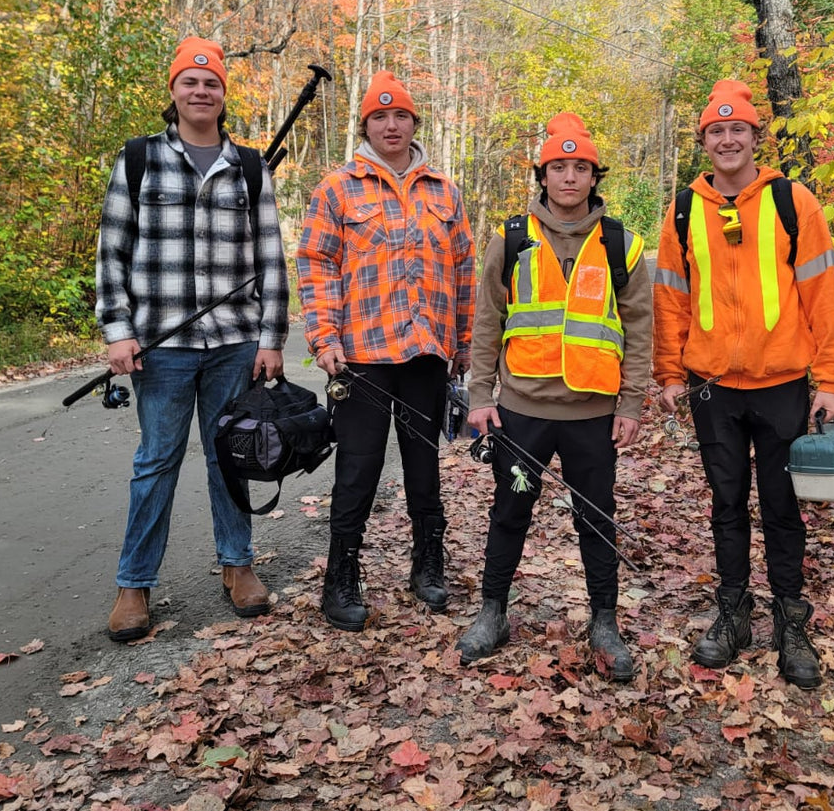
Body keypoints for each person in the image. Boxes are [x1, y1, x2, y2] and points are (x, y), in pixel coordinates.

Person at [653, 80, 834, 687]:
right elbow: (670, 298)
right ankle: (733, 613)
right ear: (704, 143)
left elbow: (823, 295)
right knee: (726, 504)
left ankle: (791, 622)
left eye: (736, 128)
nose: (727, 139)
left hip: (783, 383)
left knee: (783, 506)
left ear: (754, 137)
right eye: (715, 131)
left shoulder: (794, 203)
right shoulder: (684, 210)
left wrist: (832, 379)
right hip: (714, 386)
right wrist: (668, 372)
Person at [97, 37, 290, 642]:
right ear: (174, 92)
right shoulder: (138, 158)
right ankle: (134, 585)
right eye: (190, 82)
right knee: (156, 460)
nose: (200, 92)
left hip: (234, 341)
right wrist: (118, 330)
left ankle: (238, 567)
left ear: (223, 95)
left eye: (211, 84)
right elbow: (112, 250)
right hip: (162, 345)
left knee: (227, 455)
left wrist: (271, 336)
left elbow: (271, 258)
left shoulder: (250, 167)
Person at [457, 113, 653, 682]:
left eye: (581, 167)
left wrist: (631, 403)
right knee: (510, 511)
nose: (570, 176)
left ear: (595, 176)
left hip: (594, 416)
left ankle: (605, 622)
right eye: (559, 167)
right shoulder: (511, 237)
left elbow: (640, 329)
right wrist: (479, 396)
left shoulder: (621, 243)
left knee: (596, 518)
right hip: (522, 413)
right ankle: (492, 613)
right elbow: (488, 321)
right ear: (542, 174)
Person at [296, 71, 476, 631]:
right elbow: (316, 264)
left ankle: (428, 566)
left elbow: (465, 269)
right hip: (363, 357)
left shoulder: (444, 191)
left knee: (424, 467)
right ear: (366, 125)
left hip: (426, 354)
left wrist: (464, 341)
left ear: (414, 124)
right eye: (380, 116)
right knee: (358, 468)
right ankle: (341, 578)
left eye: (401, 116)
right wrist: (324, 338)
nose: (391, 125)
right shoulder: (338, 188)